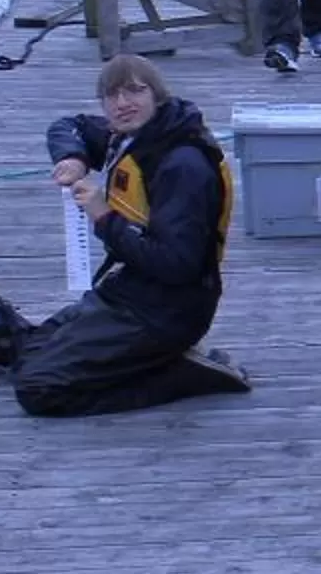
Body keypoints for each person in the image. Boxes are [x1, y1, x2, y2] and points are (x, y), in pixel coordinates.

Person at [19, 55, 249, 417]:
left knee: (39, 389)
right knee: (26, 352)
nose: (122, 103)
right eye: (111, 95)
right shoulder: (129, 136)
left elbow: (178, 266)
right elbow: (69, 125)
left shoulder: (181, 166)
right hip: (129, 290)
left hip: (167, 311)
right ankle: (149, 363)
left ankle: (182, 376)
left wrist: (104, 218)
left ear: (157, 97)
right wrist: (75, 158)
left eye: (134, 90)